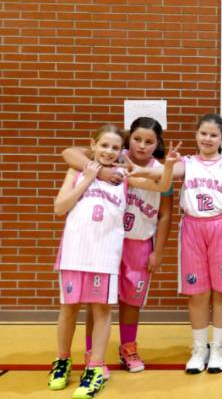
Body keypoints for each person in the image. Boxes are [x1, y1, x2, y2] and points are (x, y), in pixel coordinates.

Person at [49, 125, 176, 398]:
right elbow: (59, 208)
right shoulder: (77, 171)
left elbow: (163, 186)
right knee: (68, 309)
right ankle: (62, 361)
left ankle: (95, 367)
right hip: (74, 252)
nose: (108, 151)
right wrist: (88, 177)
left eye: (115, 147)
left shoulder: (123, 176)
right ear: (93, 145)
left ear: (121, 151)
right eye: (104, 145)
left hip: (106, 254)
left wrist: (169, 166)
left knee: (102, 311)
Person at [173, 113, 222, 374]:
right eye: (203, 133)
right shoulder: (186, 163)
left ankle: (217, 348)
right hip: (193, 228)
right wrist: (167, 164)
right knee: (198, 293)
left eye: (213, 135)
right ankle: (199, 349)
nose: (207, 138)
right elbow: (161, 175)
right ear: (196, 135)